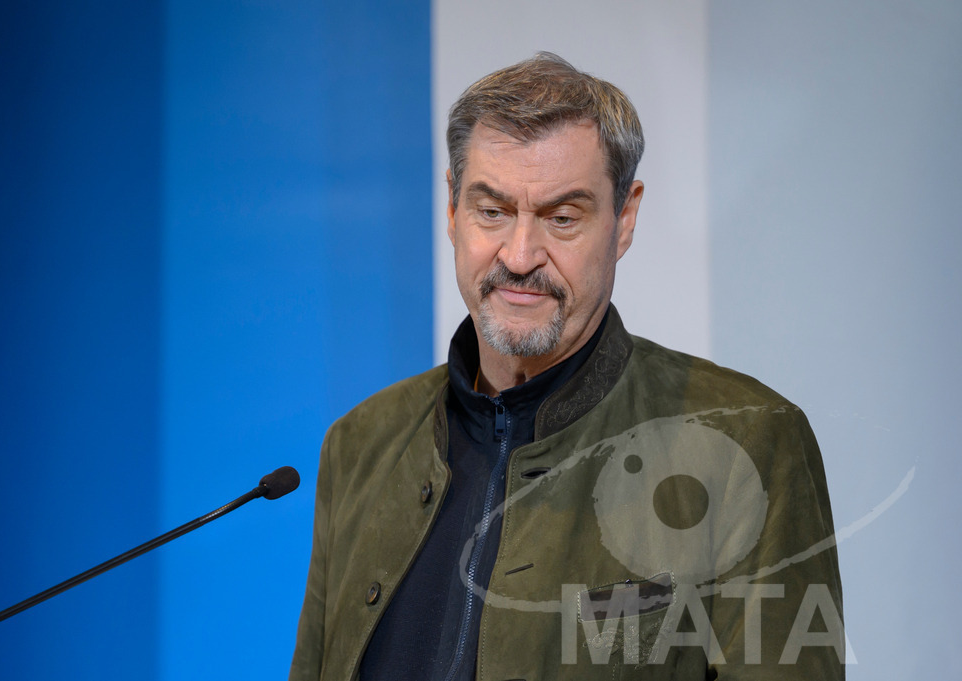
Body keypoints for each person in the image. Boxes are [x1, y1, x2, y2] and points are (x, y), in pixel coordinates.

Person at [290, 53, 844, 681]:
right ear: (451, 208)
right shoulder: (360, 445)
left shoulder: (749, 442)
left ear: (625, 218)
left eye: (562, 217)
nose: (521, 256)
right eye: (492, 212)